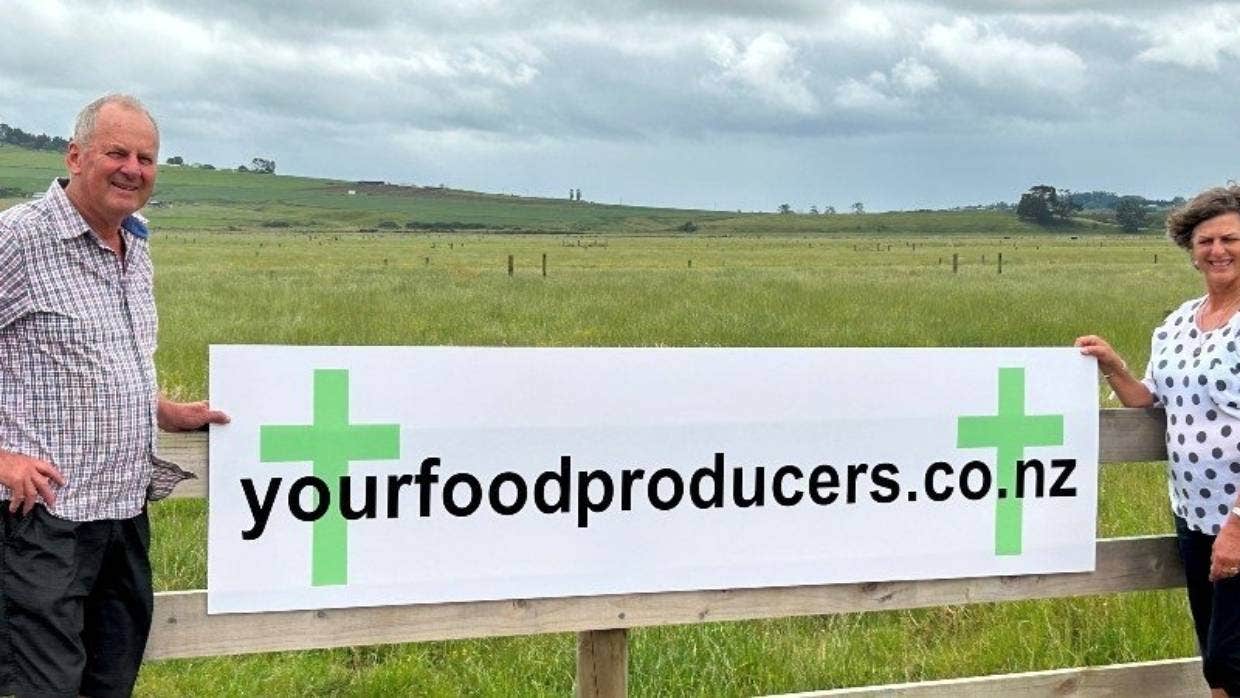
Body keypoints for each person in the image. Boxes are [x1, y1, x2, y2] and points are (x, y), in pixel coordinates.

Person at [0, 94, 228, 697]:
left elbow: (100, 360)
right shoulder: (18, 239)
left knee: (111, 682)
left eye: (146, 157)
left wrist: (162, 408)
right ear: (75, 157)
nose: (133, 167)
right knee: (44, 688)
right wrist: (2, 460)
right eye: (116, 152)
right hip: (42, 521)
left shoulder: (135, 242)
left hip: (124, 514)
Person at [1077, 185, 1240, 697]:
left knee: (1231, 662)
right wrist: (1113, 366)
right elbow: (1148, 400)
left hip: (1236, 520)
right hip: (1195, 515)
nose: (1218, 250)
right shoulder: (1175, 324)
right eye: (1206, 240)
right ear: (1190, 251)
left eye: (1231, 238)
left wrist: (1237, 527)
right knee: (1216, 655)